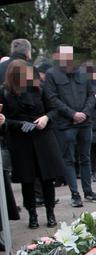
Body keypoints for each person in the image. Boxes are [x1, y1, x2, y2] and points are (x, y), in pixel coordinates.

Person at [0, 59, 65, 228]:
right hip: (21, 141)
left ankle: (50, 212)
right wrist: (18, 124)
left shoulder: (39, 89)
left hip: (43, 138)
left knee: (47, 178)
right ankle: (32, 215)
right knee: (27, 181)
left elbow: (54, 109)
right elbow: (4, 119)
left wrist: (46, 118)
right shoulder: (5, 92)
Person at [44, 45, 96, 207]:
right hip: (65, 124)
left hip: (85, 123)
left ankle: (88, 191)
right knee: (68, 160)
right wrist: (73, 114)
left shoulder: (83, 72)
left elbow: (92, 95)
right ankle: (75, 194)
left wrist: (83, 113)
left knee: (85, 158)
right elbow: (52, 99)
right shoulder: (51, 74)